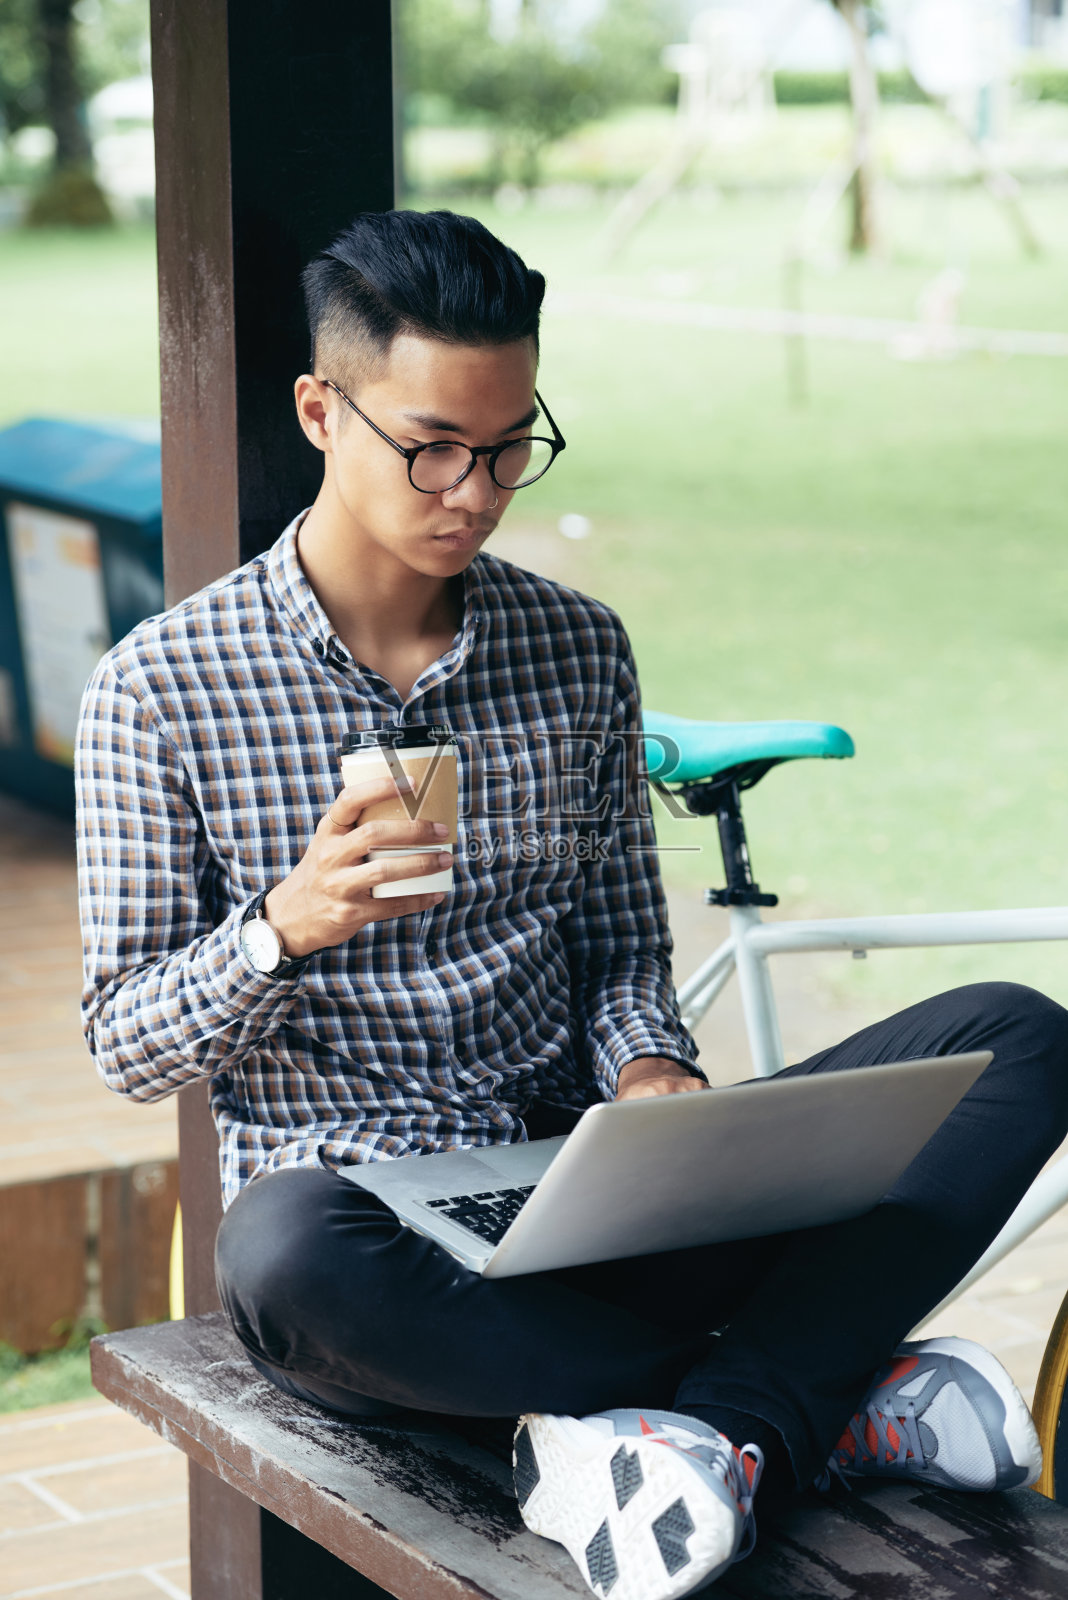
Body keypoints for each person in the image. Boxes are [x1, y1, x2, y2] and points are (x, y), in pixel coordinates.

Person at [76, 209, 1068, 1600]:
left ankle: (717, 1429)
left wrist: (654, 1069)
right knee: (284, 1252)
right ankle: (807, 1406)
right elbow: (126, 1042)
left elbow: (617, 953)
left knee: (1018, 1031)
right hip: (379, 1259)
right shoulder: (159, 692)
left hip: (591, 1202)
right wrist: (280, 928)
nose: (473, 493)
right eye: (432, 447)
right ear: (320, 410)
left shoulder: (575, 646)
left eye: (509, 447)